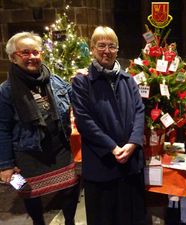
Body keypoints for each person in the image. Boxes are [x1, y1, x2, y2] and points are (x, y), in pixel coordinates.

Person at [0, 32, 79, 225]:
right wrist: (6, 165)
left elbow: (78, 98)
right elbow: (2, 129)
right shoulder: (6, 90)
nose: (32, 57)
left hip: (59, 147)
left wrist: (83, 78)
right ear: (13, 57)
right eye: (25, 52)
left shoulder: (56, 81)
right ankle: (38, 223)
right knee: (28, 192)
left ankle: (70, 221)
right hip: (27, 154)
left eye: (35, 51)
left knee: (71, 187)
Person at [71, 26, 146, 225]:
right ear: (92, 48)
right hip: (102, 164)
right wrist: (112, 148)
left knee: (131, 217)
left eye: (111, 46)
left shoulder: (128, 79)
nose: (107, 50)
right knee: (104, 218)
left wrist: (133, 142)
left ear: (117, 49)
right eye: (101, 45)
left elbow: (139, 112)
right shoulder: (82, 81)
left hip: (131, 163)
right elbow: (84, 121)